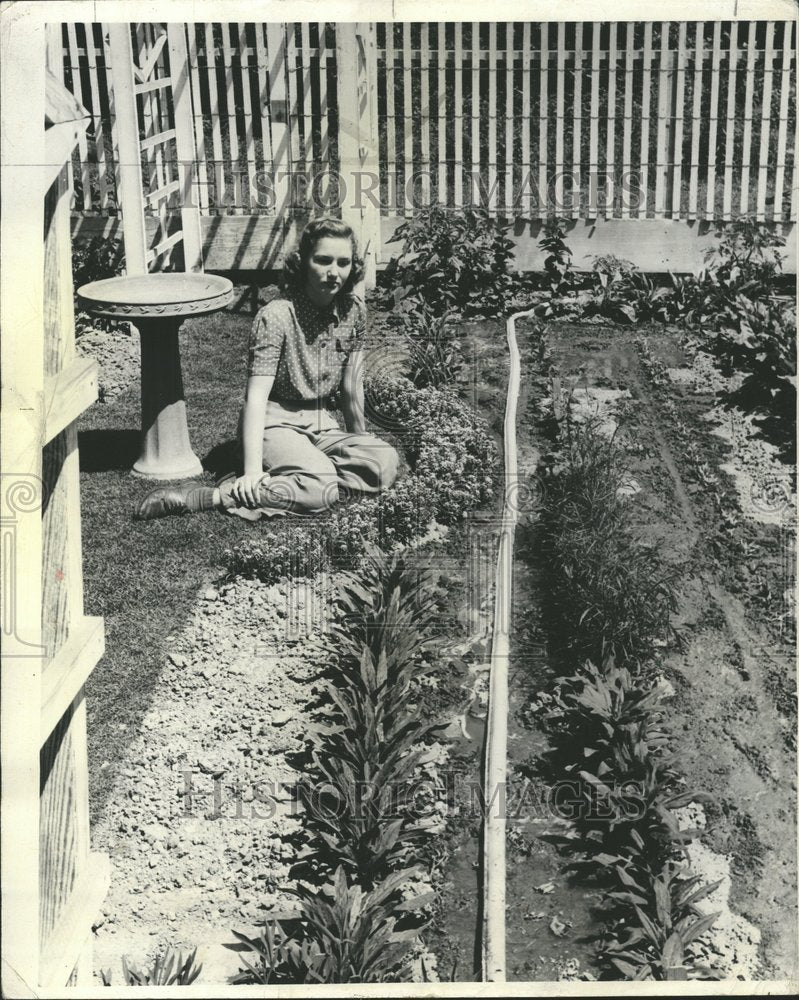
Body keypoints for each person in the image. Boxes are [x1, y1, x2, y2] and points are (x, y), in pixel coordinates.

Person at [137, 217, 400, 521]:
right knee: (321, 490)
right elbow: (256, 399)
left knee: (384, 462)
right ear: (303, 263)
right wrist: (251, 471)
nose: (333, 272)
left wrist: (358, 445)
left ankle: (304, 476)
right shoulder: (276, 316)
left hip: (321, 422)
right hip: (275, 423)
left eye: (343, 263)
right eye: (323, 260)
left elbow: (352, 386)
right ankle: (211, 496)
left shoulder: (353, 311)